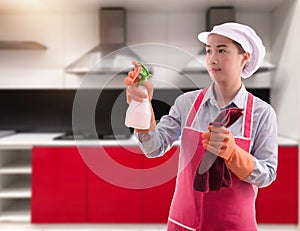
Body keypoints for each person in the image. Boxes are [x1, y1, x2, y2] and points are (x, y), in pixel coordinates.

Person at [126, 22, 278, 231]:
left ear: (245, 57)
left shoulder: (262, 113)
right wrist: (142, 107)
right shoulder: (186, 103)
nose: (212, 59)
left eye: (222, 50)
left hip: (234, 226)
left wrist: (234, 154)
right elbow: (153, 147)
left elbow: (267, 175)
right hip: (183, 223)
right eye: (208, 51)